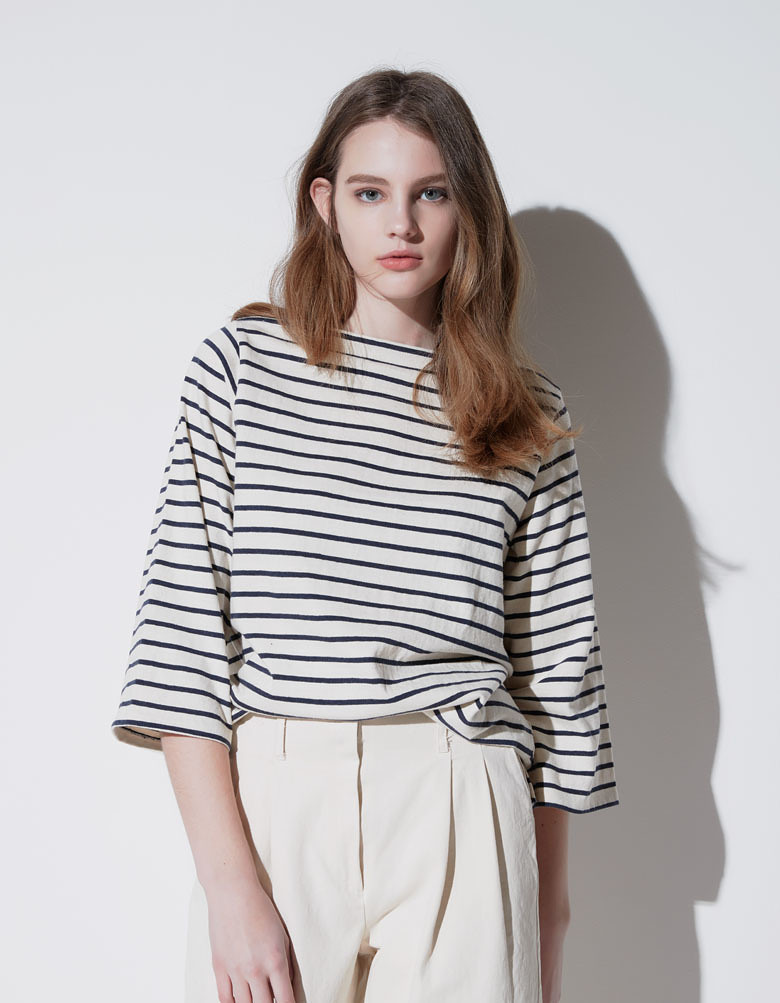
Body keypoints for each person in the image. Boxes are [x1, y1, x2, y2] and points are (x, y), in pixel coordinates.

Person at [111, 67, 620, 1003]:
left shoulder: (527, 413)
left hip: (465, 798)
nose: (403, 225)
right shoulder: (242, 371)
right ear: (326, 204)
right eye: (371, 193)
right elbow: (182, 643)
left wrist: (547, 919)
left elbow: (558, 682)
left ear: (468, 209)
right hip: (281, 797)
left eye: (432, 193)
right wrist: (230, 888)